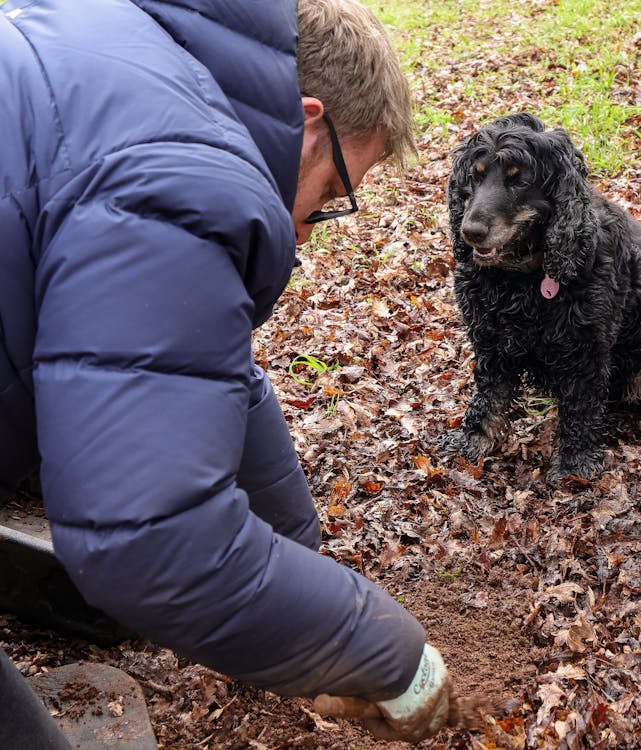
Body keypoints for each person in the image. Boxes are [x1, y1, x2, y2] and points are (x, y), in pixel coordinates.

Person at [0, 0, 451, 744]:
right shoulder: (183, 175)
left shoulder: (128, 59)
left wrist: (297, 562)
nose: (306, 233)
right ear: (310, 125)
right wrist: (387, 656)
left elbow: (203, 378)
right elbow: (148, 541)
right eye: (331, 197)